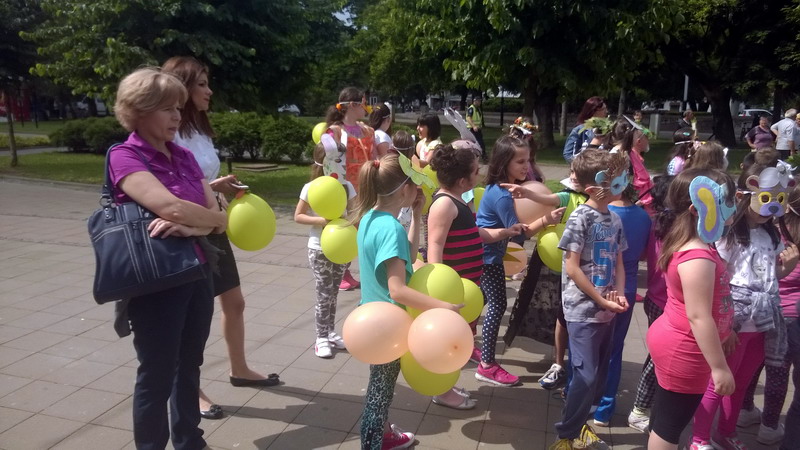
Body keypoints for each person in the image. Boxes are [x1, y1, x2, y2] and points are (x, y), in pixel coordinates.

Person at [110, 67, 228, 449]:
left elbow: (221, 220)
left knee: (190, 364)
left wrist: (194, 228)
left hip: (198, 270)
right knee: (157, 374)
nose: (177, 116)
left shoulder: (184, 156)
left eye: (178, 107)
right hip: (156, 281)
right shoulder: (124, 156)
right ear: (138, 110)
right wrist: (202, 219)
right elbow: (171, 208)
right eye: (167, 108)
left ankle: (190, 440)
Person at [162, 56, 279, 422]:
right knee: (191, 316)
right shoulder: (167, 133)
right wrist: (212, 190)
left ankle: (239, 369)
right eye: (201, 84)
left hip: (215, 226)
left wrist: (219, 187)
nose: (209, 90)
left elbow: (198, 182)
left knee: (235, 302)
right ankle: (190, 390)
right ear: (181, 88)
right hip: (187, 232)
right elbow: (172, 191)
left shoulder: (198, 129)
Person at [351, 153, 462, 449]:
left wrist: (416, 215)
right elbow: (398, 290)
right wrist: (445, 307)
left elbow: (409, 257)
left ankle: (383, 435)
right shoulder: (390, 228)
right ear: (404, 190)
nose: (418, 190)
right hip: (388, 327)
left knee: (379, 387)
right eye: (415, 184)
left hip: (373, 321)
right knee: (380, 394)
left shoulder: (370, 219)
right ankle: (373, 443)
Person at [689, 163, 799, 450]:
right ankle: (699, 438)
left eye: (779, 199)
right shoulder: (730, 234)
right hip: (736, 322)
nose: (771, 207)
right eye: (766, 198)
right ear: (747, 194)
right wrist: (725, 327)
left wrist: (788, 267)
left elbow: (770, 277)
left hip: (763, 324)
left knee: (740, 383)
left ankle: (725, 431)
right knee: (719, 383)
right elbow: (719, 279)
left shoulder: (771, 235)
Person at [646, 168, 736, 450]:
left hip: (680, 342)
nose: (734, 207)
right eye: (727, 201)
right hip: (685, 350)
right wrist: (720, 368)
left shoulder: (695, 246)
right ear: (699, 208)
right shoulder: (698, 257)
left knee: (665, 417)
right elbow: (698, 316)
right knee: (669, 426)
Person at [548, 148, 630, 450]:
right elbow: (572, 267)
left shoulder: (615, 219)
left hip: (606, 310)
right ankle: (565, 436)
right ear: (594, 187)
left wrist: (618, 294)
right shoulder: (580, 216)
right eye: (615, 179)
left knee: (596, 378)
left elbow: (619, 262)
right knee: (586, 376)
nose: (624, 182)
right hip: (582, 311)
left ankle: (579, 427)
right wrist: (600, 298)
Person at [476, 136, 566, 387]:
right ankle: (487, 364)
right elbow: (518, 235)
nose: (527, 166)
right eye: (520, 161)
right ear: (504, 162)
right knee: (498, 304)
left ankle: (462, 337)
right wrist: (546, 220)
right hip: (488, 257)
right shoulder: (503, 196)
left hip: (489, 254)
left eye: (528, 160)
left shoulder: (504, 189)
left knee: (481, 299)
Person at [502, 164, 588, 390]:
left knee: (570, 316)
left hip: (580, 268)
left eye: (578, 174)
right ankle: (559, 363)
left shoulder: (593, 204)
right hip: (554, 265)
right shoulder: (566, 198)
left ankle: (572, 361)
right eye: (571, 172)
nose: (573, 176)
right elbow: (547, 201)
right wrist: (527, 193)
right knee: (560, 314)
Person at [425, 140, 490, 410]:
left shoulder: (458, 200)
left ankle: (446, 385)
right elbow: (434, 246)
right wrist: (439, 290)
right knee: (449, 340)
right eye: (476, 171)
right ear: (463, 181)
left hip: (465, 286)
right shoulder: (444, 204)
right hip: (451, 289)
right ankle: (442, 391)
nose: (479, 174)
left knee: (459, 338)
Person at [737, 178, 800, 445]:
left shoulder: (771, 231)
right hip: (786, 315)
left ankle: (745, 410)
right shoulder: (774, 233)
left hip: (765, 311)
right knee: (776, 372)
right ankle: (769, 425)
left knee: (755, 366)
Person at [593, 183, 651, 426]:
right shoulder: (643, 217)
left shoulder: (600, 213)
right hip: (626, 289)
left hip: (596, 286)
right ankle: (605, 409)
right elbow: (644, 254)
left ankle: (581, 399)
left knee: (586, 348)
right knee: (614, 350)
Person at [293, 137, 356, 358]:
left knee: (334, 293)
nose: (342, 164)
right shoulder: (311, 187)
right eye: (337, 160)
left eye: (343, 159)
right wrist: (323, 221)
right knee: (324, 293)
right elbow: (298, 216)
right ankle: (320, 337)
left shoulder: (347, 187)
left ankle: (329, 332)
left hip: (341, 247)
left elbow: (354, 213)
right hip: (319, 248)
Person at [627, 175, 674, 433]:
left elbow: (644, 254)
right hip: (664, 301)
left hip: (657, 298)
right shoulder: (672, 228)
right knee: (658, 357)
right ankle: (640, 408)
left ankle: (646, 405)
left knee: (660, 357)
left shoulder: (656, 224)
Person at [326, 87, 371, 291]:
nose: (366, 107)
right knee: (346, 230)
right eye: (364, 103)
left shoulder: (366, 130)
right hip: (345, 190)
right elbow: (328, 162)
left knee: (362, 231)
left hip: (366, 189)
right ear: (353, 105)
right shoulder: (335, 131)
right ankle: (340, 272)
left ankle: (349, 271)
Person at [563, 96, 607, 162]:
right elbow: (568, 154)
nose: (606, 111)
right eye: (603, 109)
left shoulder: (608, 130)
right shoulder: (579, 130)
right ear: (594, 111)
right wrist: (584, 165)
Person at [509, 116, 545, 182]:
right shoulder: (512, 146)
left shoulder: (531, 146)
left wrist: (541, 175)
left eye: (529, 135)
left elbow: (532, 161)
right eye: (526, 135)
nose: (528, 138)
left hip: (528, 172)